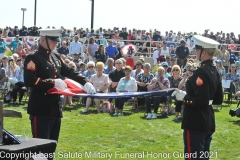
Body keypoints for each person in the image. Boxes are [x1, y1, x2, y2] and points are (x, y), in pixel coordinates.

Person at [24, 29, 96, 157]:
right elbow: (29, 80)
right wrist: (52, 82)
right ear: (42, 39)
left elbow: (69, 71)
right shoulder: (33, 57)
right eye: (52, 41)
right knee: (40, 151)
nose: (56, 44)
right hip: (40, 110)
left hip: (55, 110)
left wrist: (85, 81)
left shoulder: (56, 57)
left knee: (51, 149)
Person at [182, 35, 223, 159]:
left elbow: (201, 101)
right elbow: (218, 99)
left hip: (195, 122)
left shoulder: (201, 72)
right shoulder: (214, 70)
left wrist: (183, 98)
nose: (195, 52)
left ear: (203, 52)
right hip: (207, 121)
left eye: (197, 49)